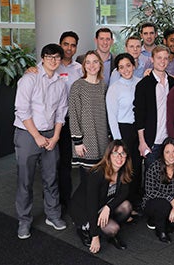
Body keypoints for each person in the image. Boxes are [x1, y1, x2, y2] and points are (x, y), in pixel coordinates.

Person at [14, 43, 68, 239]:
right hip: (28, 134)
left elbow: (62, 112)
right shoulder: (30, 79)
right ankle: (24, 220)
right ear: (43, 58)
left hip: (51, 134)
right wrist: (37, 136)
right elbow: (21, 110)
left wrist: (55, 136)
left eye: (57, 58)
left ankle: (52, 215)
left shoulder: (61, 83)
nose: (54, 61)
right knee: (25, 180)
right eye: (50, 57)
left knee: (51, 178)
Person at [70, 140, 133, 253]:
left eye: (123, 153)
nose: (119, 157)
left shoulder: (123, 171)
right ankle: (85, 229)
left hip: (102, 205)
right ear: (108, 155)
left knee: (127, 206)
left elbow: (124, 193)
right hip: (84, 209)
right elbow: (91, 204)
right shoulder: (97, 173)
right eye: (115, 153)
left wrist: (108, 208)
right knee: (113, 229)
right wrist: (95, 236)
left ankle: (103, 226)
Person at [106, 53, 142, 208]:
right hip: (123, 129)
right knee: (124, 166)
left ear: (133, 65)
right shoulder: (114, 88)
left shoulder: (141, 83)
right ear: (117, 70)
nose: (126, 69)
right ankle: (122, 202)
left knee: (137, 166)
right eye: (121, 67)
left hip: (138, 129)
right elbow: (112, 116)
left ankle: (135, 201)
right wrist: (118, 141)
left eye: (128, 65)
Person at [134, 45, 174, 169]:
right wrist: (142, 142)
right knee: (151, 179)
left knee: (169, 178)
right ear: (152, 59)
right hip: (151, 142)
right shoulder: (143, 85)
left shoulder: (172, 83)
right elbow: (139, 115)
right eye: (159, 58)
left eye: (165, 58)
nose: (162, 61)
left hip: (168, 141)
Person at [141, 138, 174, 244]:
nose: (171, 155)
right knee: (163, 205)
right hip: (153, 202)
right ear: (162, 153)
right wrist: (170, 199)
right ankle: (161, 231)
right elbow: (149, 191)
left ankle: (161, 220)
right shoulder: (154, 167)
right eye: (167, 152)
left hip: (172, 203)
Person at [55, 31, 83, 213]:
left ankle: (65, 200)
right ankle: (52, 200)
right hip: (51, 122)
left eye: (73, 45)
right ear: (60, 44)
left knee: (65, 163)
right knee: (50, 163)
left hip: (69, 120)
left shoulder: (79, 69)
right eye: (66, 44)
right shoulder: (51, 65)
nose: (69, 48)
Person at [70, 50, 109, 169]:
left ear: (100, 65)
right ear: (84, 66)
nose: (92, 66)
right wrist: (77, 142)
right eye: (88, 62)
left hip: (102, 138)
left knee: (101, 176)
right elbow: (73, 115)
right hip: (86, 140)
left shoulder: (103, 85)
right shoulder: (78, 86)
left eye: (95, 62)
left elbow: (106, 114)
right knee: (87, 180)